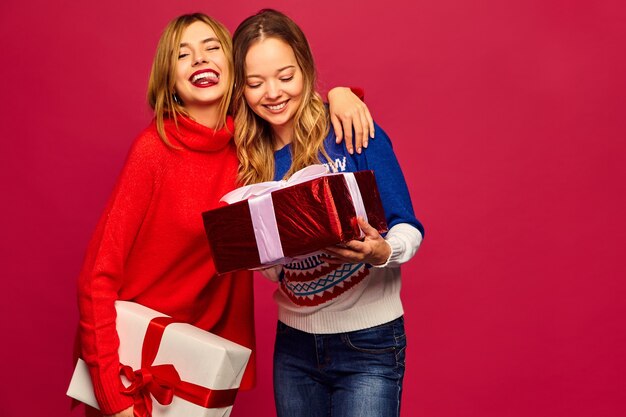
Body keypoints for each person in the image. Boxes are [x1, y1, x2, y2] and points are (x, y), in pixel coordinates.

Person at [76, 12, 373, 417]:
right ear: (169, 78)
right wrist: (113, 392)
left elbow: (298, 115)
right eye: (183, 54)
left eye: (212, 47)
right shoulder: (153, 151)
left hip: (205, 366)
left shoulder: (251, 146)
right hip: (136, 362)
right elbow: (97, 276)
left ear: (234, 68)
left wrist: (341, 94)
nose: (199, 59)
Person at [231, 9, 425, 417]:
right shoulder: (249, 157)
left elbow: (408, 225)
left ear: (305, 67)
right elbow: (273, 272)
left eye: (286, 77)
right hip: (294, 347)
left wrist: (381, 252)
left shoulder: (349, 128)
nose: (273, 92)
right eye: (255, 83)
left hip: (370, 343)